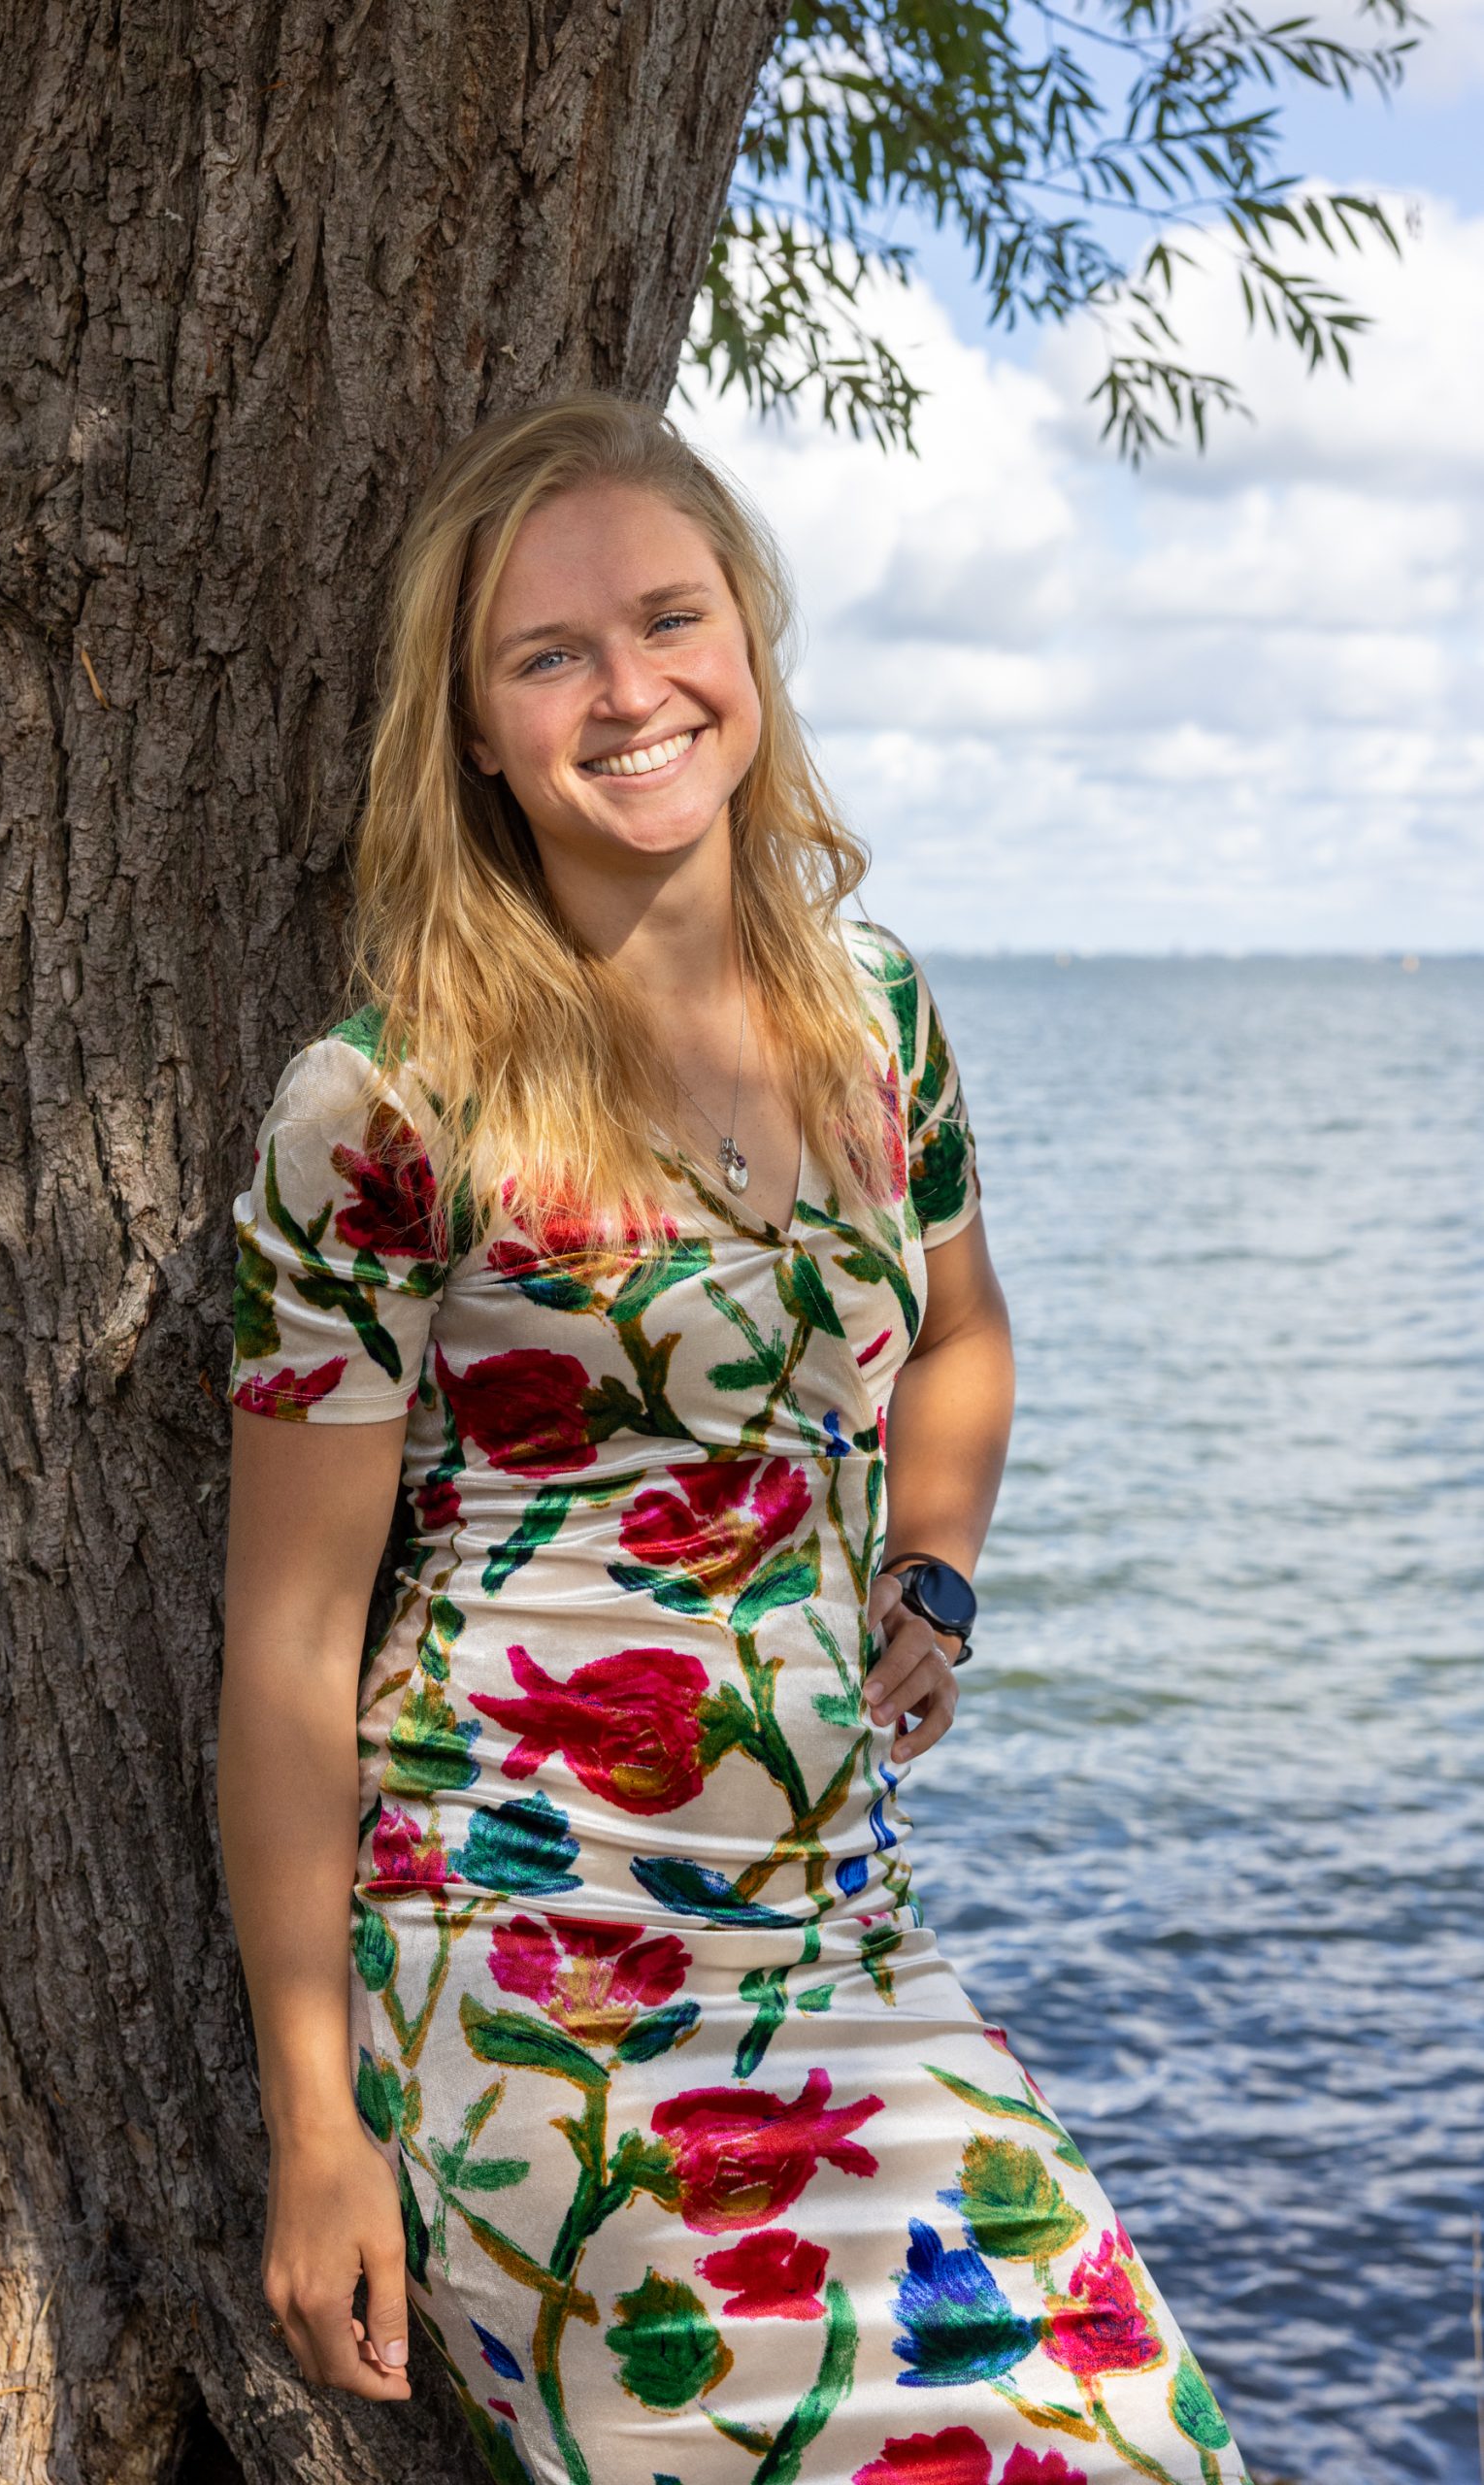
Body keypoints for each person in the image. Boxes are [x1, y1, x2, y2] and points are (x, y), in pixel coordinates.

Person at [217, 391, 1246, 2484]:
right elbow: (289, 1649)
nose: (629, 692)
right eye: (549, 655)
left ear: (749, 643)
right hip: (530, 1968)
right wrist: (315, 2122)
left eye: (669, 619)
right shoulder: (386, 1108)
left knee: (1149, 2439)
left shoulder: (873, 1015)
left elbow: (960, 1332)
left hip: (843, 1925)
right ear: (475, 730)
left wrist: (932, 1569)